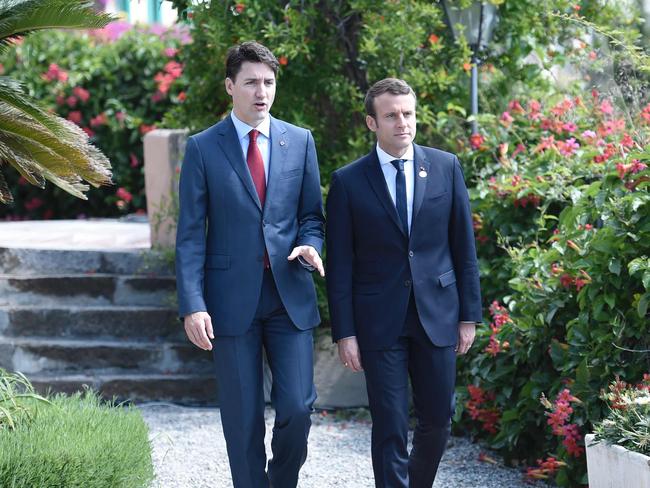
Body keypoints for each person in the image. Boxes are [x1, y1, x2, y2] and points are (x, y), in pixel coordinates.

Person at [175, 41, 325, 488]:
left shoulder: (299, 141)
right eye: (251, 82)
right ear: (230, 86)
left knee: (297, 409)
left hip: (289, 296)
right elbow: (189, 234)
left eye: (268, 82)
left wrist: (310, 244)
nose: (262, 91)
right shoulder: (203, 148)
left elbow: (312, 215)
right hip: (229, 302)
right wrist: (193, 304)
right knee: (242, 421)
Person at [325, 78, 482, 487]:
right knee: (390, 423)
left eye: (408, 113)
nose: (402, 122)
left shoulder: (446, 166)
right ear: (371, 123)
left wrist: (469, 316)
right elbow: (339, 265)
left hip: (439, 315)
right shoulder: (348, 182)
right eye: (391, 115)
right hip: (380, 321)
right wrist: (345, 332)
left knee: (438, 420)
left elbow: (464, 248)